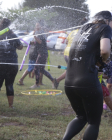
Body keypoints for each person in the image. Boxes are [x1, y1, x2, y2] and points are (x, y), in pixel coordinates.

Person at [62, 11, 112, 140]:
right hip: (87, 82)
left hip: (69, 83)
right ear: (107, 20)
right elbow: (105, 50)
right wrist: (104, 59)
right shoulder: (105, 28)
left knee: (81, 117)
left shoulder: (83, 28)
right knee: (93, 122)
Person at [0, 18, 23, 109]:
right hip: (12, 64)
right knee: (9, 84)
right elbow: (21, 47)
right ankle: (11, 106)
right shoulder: (13, 35)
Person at [53, 18, 88, 89]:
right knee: (73, 70)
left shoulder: (72, 32)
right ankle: (58, 80)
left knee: (72, 70)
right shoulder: (82, 33)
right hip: (73, 54)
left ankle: (70, 83)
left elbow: (67, 42)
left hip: (66, 53)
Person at [30, 20, 56, 88]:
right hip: (43, 53)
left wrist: (34, 36)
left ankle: (37, 84)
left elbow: (40, 42)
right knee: (41, 70)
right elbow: (39, 42)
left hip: (42, 53)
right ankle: (53, 80)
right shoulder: (39, 32)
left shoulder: (41, 33)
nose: (36, 27)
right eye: (36, 26)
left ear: (41, 26)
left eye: (38, 25)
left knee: (36, 69)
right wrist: (33, 42)